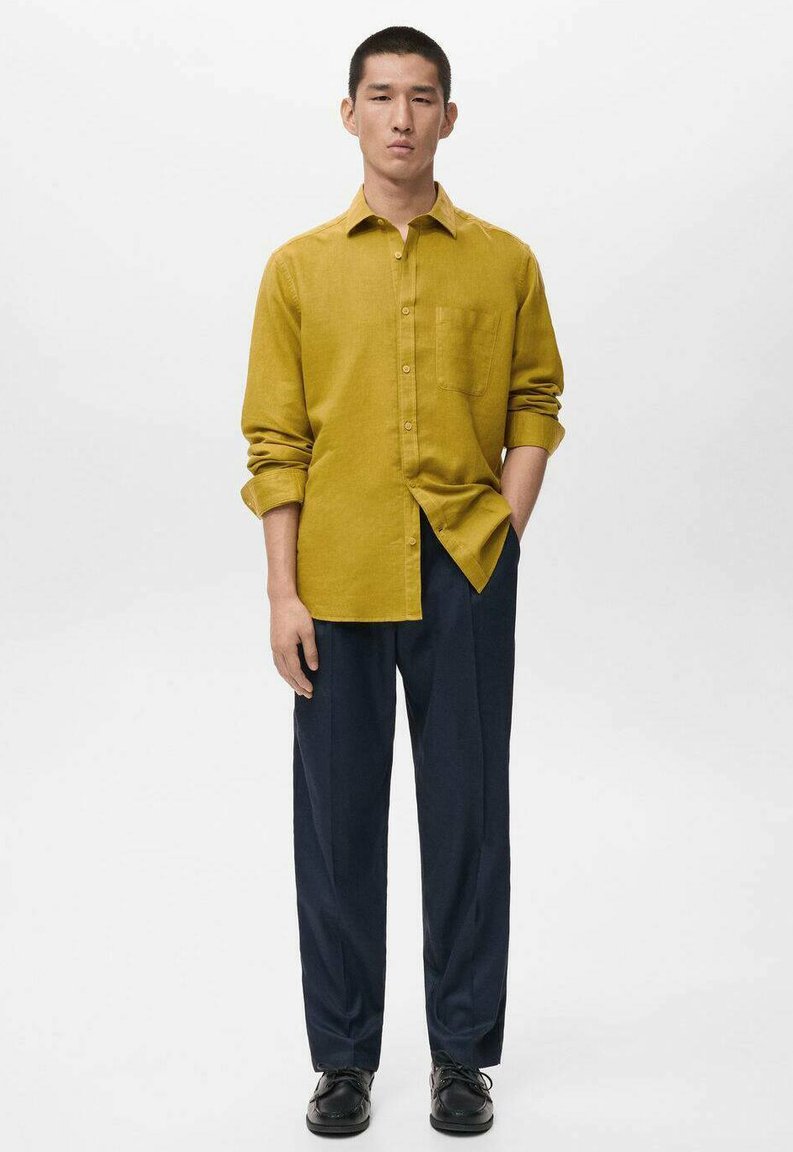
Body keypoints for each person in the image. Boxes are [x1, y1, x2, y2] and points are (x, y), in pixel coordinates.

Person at [239, 25, 566, 1137]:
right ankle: (343, 1061)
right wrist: (282, 593)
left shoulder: (503, 261)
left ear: (448, 117)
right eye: (379, 96)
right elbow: (276, 441)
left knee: (467, 815)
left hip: (464, 562)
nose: (400, 117)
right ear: (349, 114)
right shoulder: (297, 269)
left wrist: (503, 529)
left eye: (421, 97)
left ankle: (462, 1058)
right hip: (334, 570)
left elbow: (535, 399)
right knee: (338, 825)